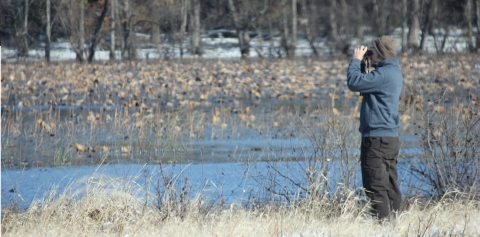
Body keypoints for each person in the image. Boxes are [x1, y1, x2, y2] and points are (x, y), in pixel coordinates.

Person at [346, 35, 403, 220]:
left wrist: (356, 60)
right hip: (389, 138)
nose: (370, 51)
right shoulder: (392, 72)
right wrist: (365, 64)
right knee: (389, 184)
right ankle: (397, 224)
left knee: (375, 184)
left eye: (373, 49)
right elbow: (366, 86)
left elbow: (354, 83)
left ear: (381, 52)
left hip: (376, 140)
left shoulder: (383, 75)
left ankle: (384, 227)